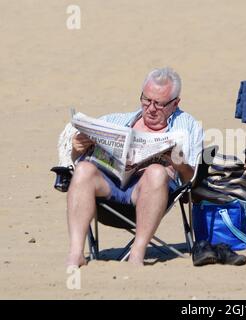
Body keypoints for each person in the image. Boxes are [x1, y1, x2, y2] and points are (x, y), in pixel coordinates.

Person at [64, 67, 203, 266]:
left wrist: (179, 164)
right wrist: (77, 149)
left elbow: (192, 182)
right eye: (146, 100)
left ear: (175, 104)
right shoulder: (116, 120)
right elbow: (76, 158)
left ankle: (137, 253)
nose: (151, 108)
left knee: (156, 171)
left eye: (159, 104)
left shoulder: (188, 127)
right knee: (83, 170)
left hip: (150, 192)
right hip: (110, 190)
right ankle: (76, 252)